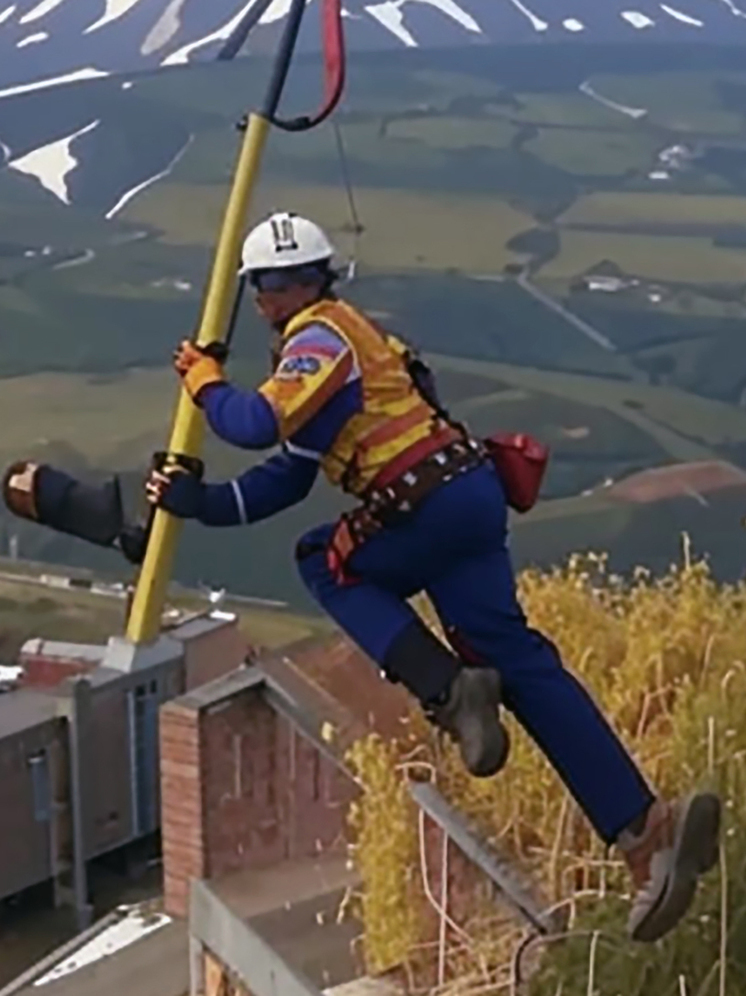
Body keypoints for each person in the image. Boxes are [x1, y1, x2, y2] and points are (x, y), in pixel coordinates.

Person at [146, 210, 721, 943]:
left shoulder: (319, 337)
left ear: (272, 288)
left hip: (425, 502)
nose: (261, 305)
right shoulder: (354, 349)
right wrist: (196, 502)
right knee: (522, 666)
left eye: (262, 291)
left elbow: (256, 423)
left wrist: (203, 382)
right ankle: (647, 831)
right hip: (466, 499)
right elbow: (278, 482)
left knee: (323, 560)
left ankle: (449, 692)